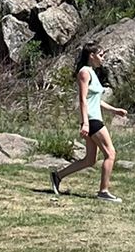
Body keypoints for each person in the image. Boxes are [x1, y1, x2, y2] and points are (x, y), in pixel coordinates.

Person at [50, 52, 126, 202]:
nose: (103, 58)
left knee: (90, 160)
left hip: (93, 119)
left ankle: (57, 176)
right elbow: (83, 99)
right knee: (110, 153)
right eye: (101, 54)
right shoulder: (84, 72)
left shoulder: (92, 73)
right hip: (92, 120)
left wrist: (114, 110)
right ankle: (103, 191)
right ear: (92, 55)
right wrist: (85, 123)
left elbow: (94, 100)